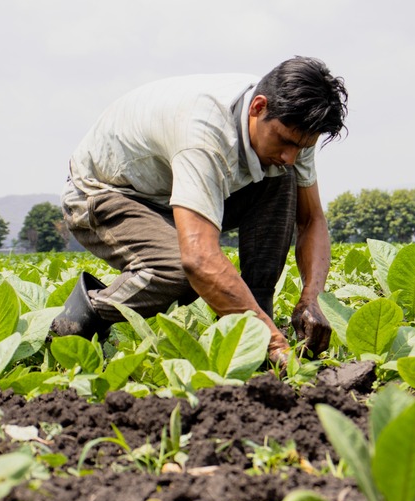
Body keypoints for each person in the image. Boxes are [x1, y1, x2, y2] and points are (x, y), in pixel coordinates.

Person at [52, 56, 348, 367]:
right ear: (258, 107)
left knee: (282, 177)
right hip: (104, 192)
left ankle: (257, 316)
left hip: (170, 189)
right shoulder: (205, 134)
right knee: (178, 271)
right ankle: (75, 323)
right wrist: (275, 344)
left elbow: (312, 219)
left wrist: (311, 299)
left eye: (301, 147)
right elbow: (198, 260)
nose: (291, 155)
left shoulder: (293, 124)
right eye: (285, 142)